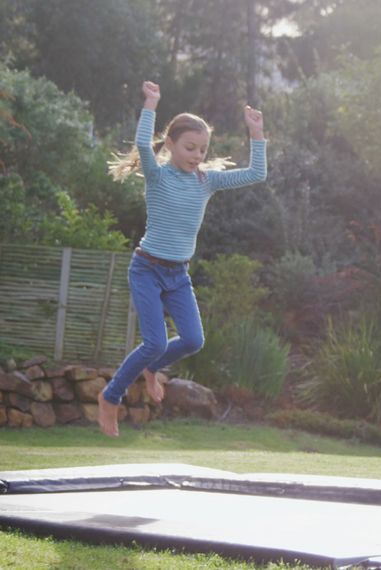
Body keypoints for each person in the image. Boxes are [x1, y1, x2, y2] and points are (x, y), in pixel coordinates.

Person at [99, 81, 266, 436]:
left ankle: (151, 368)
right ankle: (110, 397)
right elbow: (144, 143)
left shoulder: (206, 181)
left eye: (202, 150)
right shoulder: (158, 177)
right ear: (171, 144)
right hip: (146, 269)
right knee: (155, 341)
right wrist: (151, 104)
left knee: (193, 340)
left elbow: (257, 174)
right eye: (190, 147)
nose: (196, 155)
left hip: (178, 275)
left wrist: (256, 133)